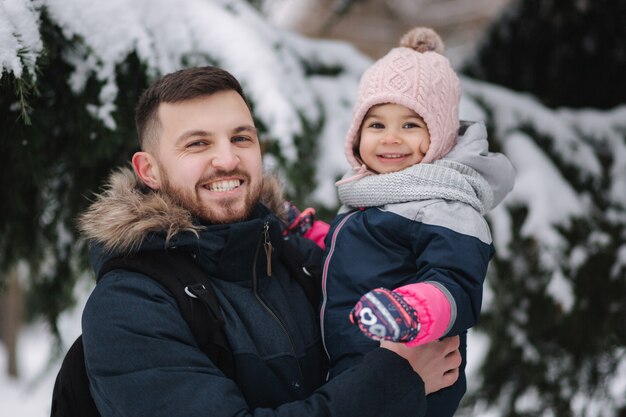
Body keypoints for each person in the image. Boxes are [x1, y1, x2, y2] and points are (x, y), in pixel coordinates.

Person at [77, 65, 462, 417]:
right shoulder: (130, 304)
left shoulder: (303, 260)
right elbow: (406, 370)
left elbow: (437, 358)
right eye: (198, 144)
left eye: (241, 137)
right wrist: (396, 380)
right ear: (149, 170)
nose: (227, 160)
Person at [320, 27, 515, 416]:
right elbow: (359, 255)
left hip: (414, 380)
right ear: (357, 135)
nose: (391, 138)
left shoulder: (443, 205)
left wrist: (413, 312)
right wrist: (310, 235)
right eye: (377, 125)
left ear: (440, 134)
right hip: (358, 377)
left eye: (410, 125)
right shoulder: (374, 196)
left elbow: (455, 281)